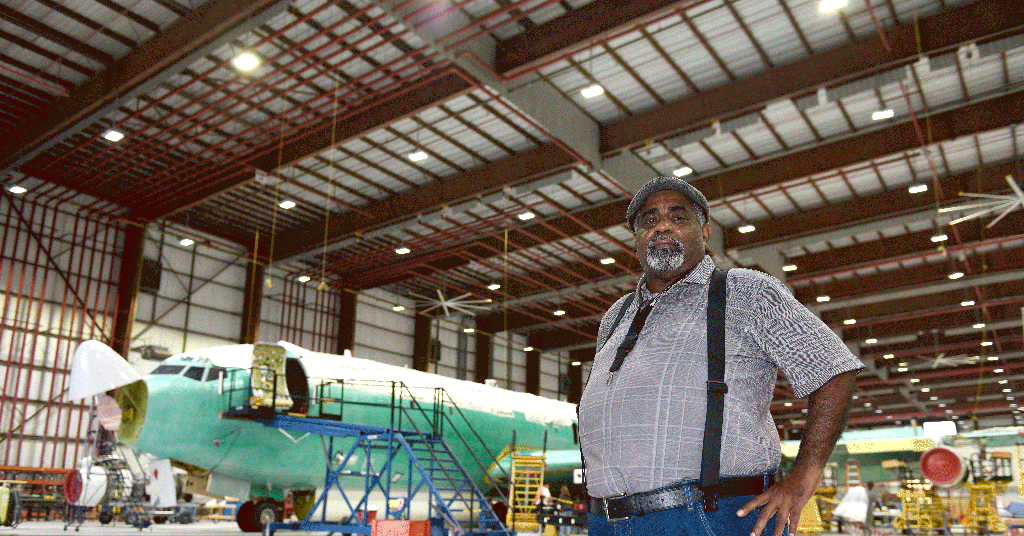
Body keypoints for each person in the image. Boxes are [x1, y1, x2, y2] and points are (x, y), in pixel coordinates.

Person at [577, 176, 863, 536]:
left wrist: (805, 474)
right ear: (636, 239)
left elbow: (833, 368)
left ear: (706, 232)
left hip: (707, 516)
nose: (662, 225)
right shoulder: (616, 315)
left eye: (678, 217)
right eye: (649, 220)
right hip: (606, 521)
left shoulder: (745, 291)